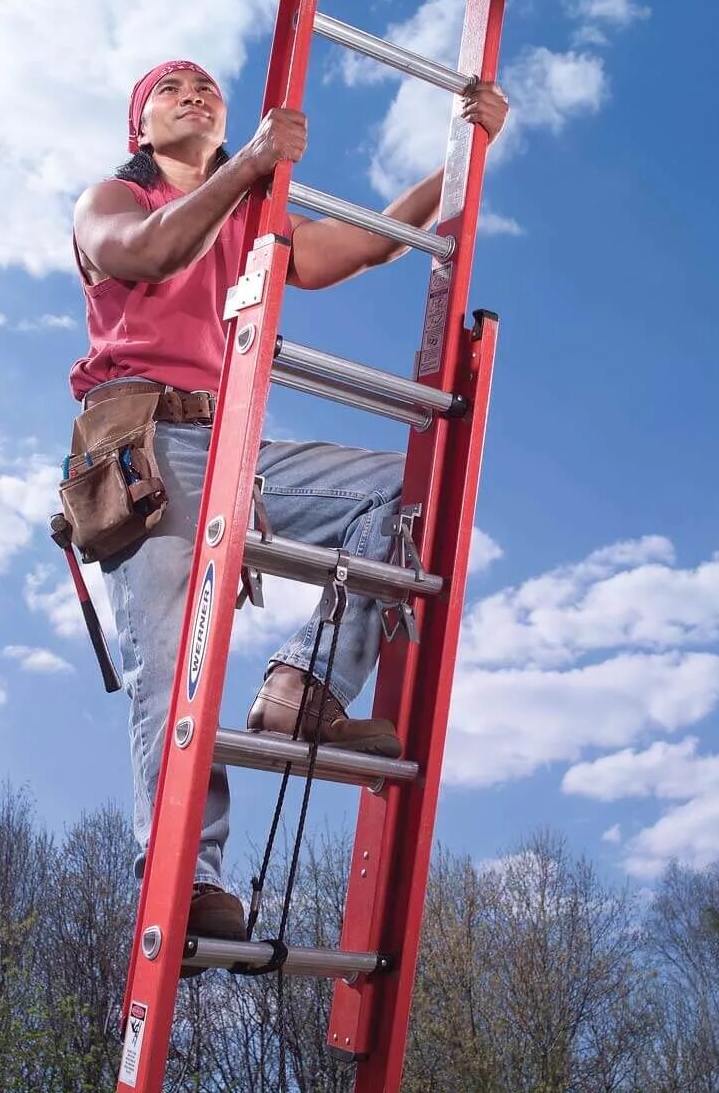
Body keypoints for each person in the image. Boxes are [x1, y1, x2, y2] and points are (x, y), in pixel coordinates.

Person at [70, 59, 508, 941]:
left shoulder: (250, 216)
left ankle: (304, 687)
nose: (193, 94)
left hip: (236, 442)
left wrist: (469, 152)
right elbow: (148, 253)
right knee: (174, 668)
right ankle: (187, 881)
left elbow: (370, 244)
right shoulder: (114, 200)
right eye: (169, 91)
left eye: (206, 87)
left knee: (402, 492)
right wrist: (251, 164)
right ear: (139, 130)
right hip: (147, 443)